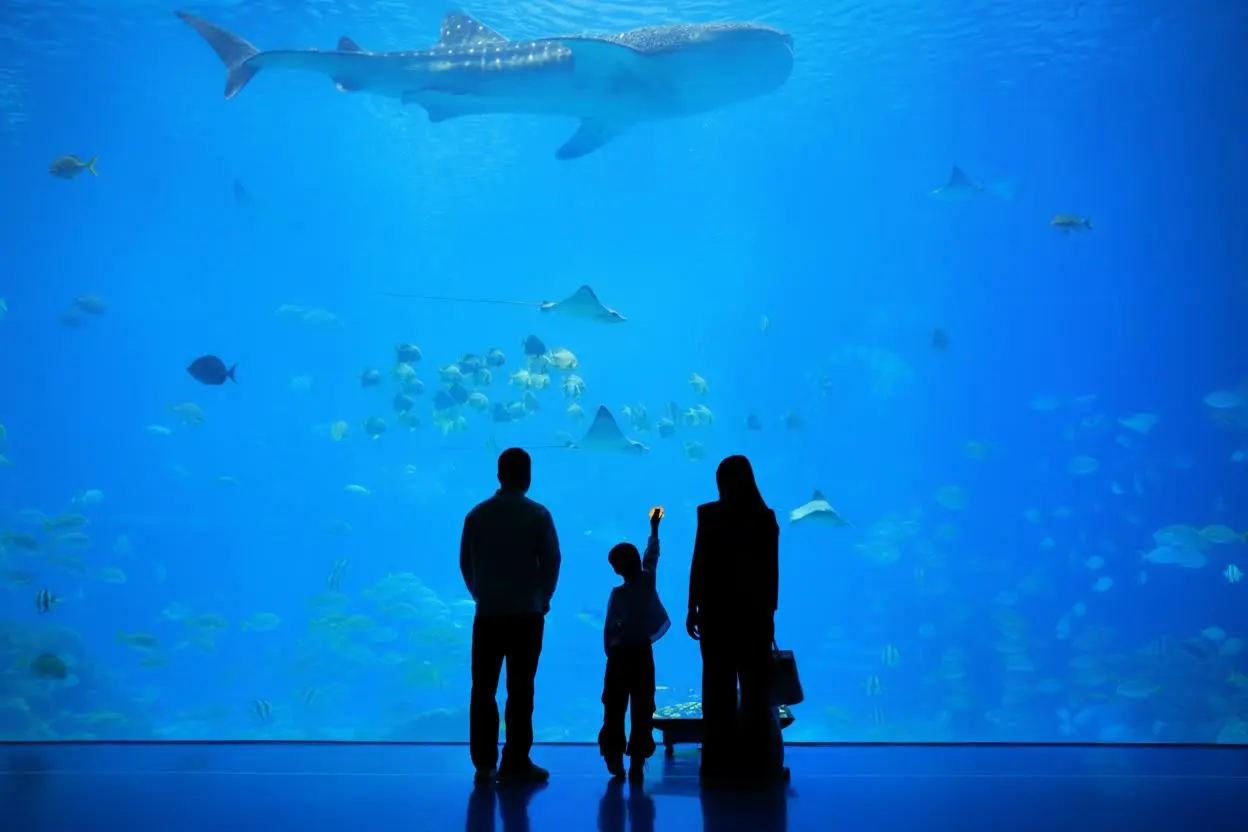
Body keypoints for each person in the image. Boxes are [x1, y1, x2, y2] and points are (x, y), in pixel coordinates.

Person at [460, 448, 562, 785]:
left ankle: (484, 764)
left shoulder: (476, 515)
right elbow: (551, 561)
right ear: (527, 476)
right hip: (525, 615)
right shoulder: (537, 515)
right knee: (521, 690)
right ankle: (516, 760)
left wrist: (479, 593)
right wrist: (543, 598)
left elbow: (465, 562)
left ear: (499, 475)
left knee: (483, 689)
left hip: (488, 614)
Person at [686, 454, 785, 782]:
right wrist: (769, 615)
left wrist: (693, 607)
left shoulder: (710, 515)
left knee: (717, 690)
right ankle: (759, 765)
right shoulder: (763, 517)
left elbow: (698, 564)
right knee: (753, 691)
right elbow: (770, 574)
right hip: (752, 617)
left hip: (717, 616)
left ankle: (717, 763)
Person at [599, 506, 672, 782]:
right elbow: (652, 555)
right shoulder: (647, 581)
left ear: (617, 568)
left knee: (614, 705)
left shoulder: (617, 594)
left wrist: (609, 652)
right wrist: (654, 528)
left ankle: (614, 756)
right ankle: (638, 760)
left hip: (619, 657)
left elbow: (608, 630)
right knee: (643, 705)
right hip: (642, 653)